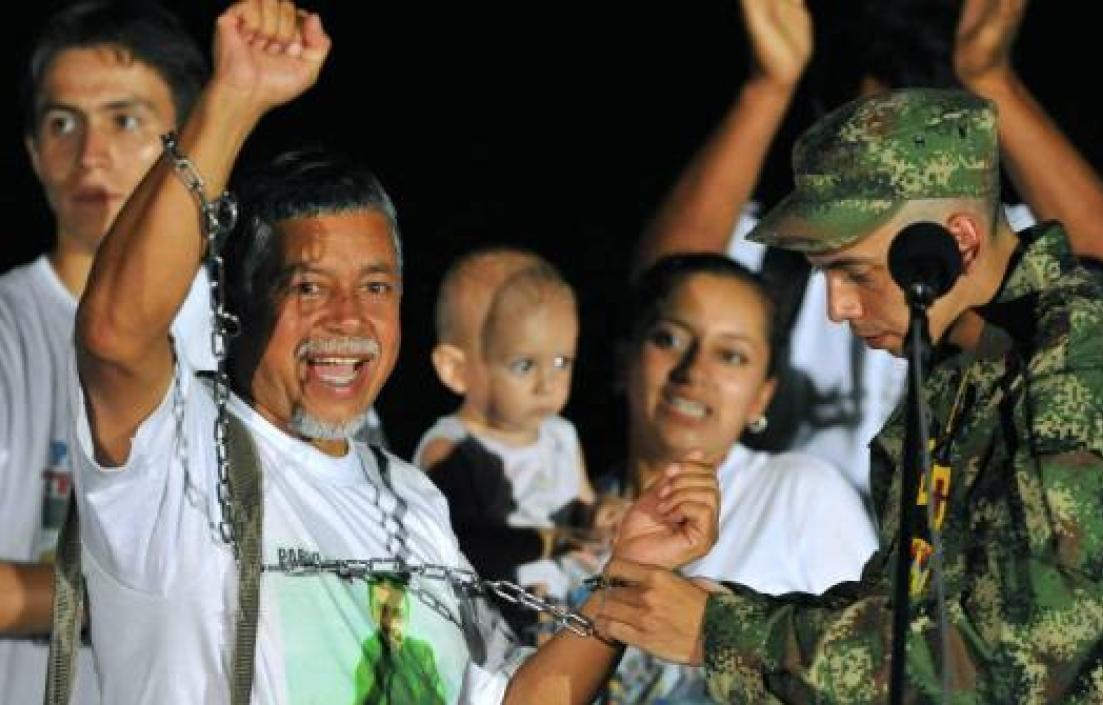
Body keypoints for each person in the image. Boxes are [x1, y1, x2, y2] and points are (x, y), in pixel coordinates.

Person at [67, 2, 718, 703]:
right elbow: (114, 333)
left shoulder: (413, 502)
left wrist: (624, 577)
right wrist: (234, 97)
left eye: (375, 285)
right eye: (309, 285)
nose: (348, 318)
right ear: (239, 303)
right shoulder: (178, 454)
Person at [596, 88, 1103, 702]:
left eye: (853, 272)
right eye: (823, 275)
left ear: (957, 242)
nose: (836, 308)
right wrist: (710, 611)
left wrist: (723, 631)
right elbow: (910, 618)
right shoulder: (963, 365)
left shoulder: (1093, 371)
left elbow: (995, 669)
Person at [635, 0, 1103, 501]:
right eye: (860, 132)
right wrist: (768, 88)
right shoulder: (796, 255)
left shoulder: (997, 257)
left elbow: (1100, 251)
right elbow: (670, 279)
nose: (879, 164)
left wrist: (989, 78)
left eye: (908, 141)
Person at [0, 3, 210, 702]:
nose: (91, 155)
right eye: (63, 123)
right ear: (32, 150)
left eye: (125, 120)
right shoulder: (7, 325)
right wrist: (151, 594)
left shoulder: (260, 325)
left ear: (187, 144)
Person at [581, 252, 877, 703]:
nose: (695, 372)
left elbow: (876, 669)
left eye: (731, 356)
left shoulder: (799, 492)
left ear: (762, 397)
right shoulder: (566, 504)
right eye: (670, 339)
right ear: (625, 360)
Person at [416, 246, 596, 600]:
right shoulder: (451, 450)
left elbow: (582, 505)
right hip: (487, 623)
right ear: (456, 370)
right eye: (523, 365)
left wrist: (602, 516)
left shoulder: (561, 435)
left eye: (562, 362)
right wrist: (547, 543)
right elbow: (464, 544)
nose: (548, 384)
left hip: (558, 610)